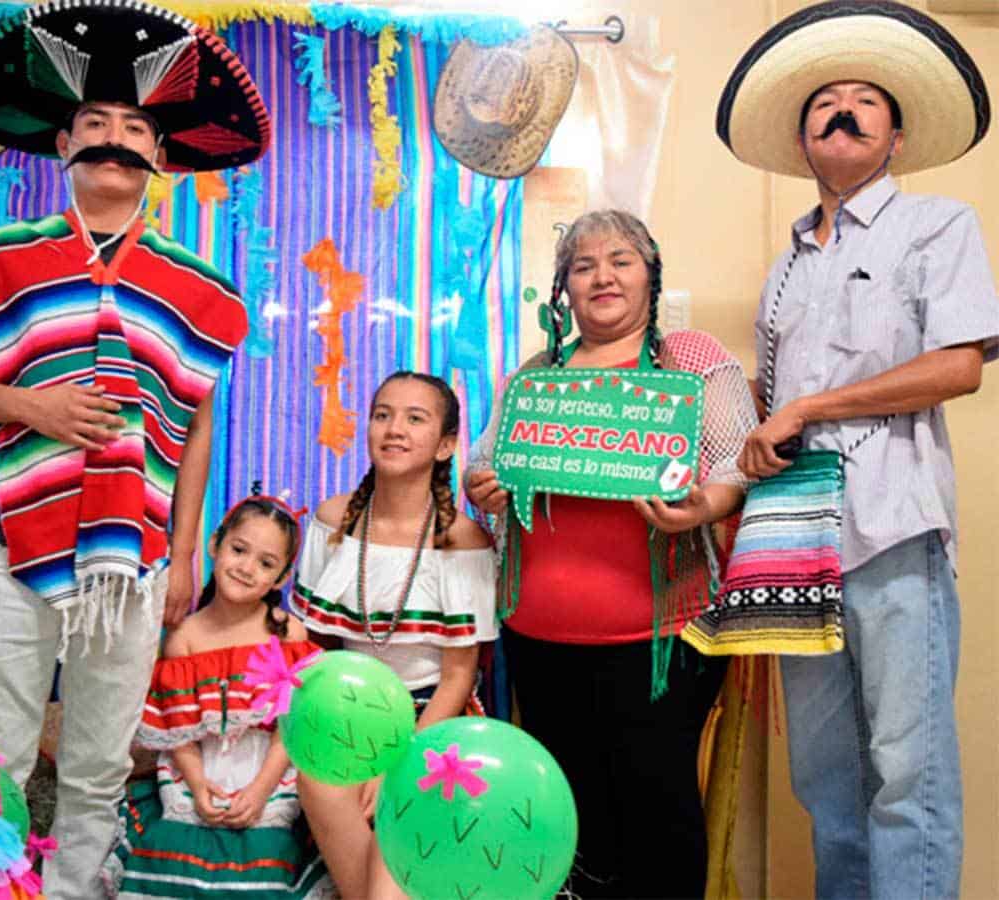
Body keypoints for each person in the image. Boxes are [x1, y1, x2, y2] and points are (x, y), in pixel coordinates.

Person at [0, 1, 269, 894]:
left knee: (101, 758)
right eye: (96, 124)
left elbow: (192, 428)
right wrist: (26, 404)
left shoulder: (196, 290)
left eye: (135, 128)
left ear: (160, 156)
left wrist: (185, 550)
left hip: (136, 561)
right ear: (64, 142)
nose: (115, 140)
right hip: (10, 543)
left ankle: (77, 889)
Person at [714, 3, 997, 896]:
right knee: (825, 780)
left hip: (892, 528)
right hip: (796, 544)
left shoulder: (939, 226)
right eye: (823, 102)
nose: (842, 110)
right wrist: (735, 467)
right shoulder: (787, 263)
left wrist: (812, 407)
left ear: (897, 135)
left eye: (864, 100)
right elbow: (766, 410)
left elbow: (959, 367)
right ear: (803, 142)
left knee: (908, 774)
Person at [465, 209, 758, 899]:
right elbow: (483, 463)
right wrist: (485, 486)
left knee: (657, 817)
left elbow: (740, 463)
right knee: (569, 820)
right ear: (563, 288)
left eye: (621, 260)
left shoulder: (689, 358)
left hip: (658, 640)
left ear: (651, 275)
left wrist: (706, 504)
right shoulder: (535, 374)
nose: (602, 276)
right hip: (538, 640)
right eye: (583, 264)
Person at [293, 372, 496, 899]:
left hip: (432, 721)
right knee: (320, 782)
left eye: (415, 418)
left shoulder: (463, 541)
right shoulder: (332, 521)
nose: (394, 429)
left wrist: (396, 762)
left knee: (394, 858)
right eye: (382, 414)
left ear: (446, 444)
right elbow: (314, 651)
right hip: (349, 714)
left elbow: (458, 677)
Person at [103, 494, 333, 899]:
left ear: (281, 578)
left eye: (266, 563)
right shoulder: (184, 637)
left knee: (267, 852)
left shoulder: (287, 632)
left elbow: (292, 726)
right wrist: (196, 784)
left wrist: (262, 788)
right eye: (239, 550)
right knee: (178, 840)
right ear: (215, 544)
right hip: (198, 768)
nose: (246, 568)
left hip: (268, 769)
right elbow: (178, 731)